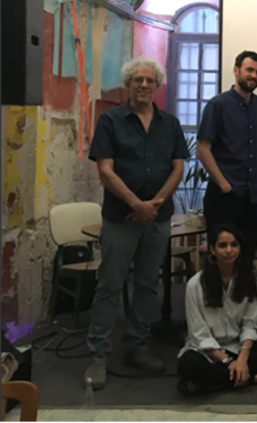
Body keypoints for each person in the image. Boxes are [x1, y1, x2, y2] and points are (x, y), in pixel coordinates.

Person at [84, 57, 189, 389]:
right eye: (137, 80)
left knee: (147, 286)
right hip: (120, 219)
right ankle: (98, 357)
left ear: (157, 86)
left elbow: (178, 168)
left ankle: (137, 348)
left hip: (156, 219)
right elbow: (104, 169)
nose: (144, 85)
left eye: (149, 80)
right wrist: (136, 204)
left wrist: (153, 205)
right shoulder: (110, 121)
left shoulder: (169, 124)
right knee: (109, 287)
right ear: (128, 85)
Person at [177, 224, 257, 395]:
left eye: (234, 245)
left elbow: (250, 325)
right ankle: (256, 378)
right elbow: (199, 334)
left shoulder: (248, 280)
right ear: (212, 250)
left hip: (237, 346)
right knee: (187, 364)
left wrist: (242, 359)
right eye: (222, 245)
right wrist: (229, 362)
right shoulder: (195, 285)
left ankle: (208, 383)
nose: (229, 250)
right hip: (207, 352)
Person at [197, 51, 257, 256]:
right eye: (249, 70)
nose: (254, 75)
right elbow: (203, 149)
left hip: (253, 196)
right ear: (236, 70)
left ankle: (243, 290)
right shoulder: (218, 104)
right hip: (225, 195)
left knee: (246, 255)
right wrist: (224, 184)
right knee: (221, 257)